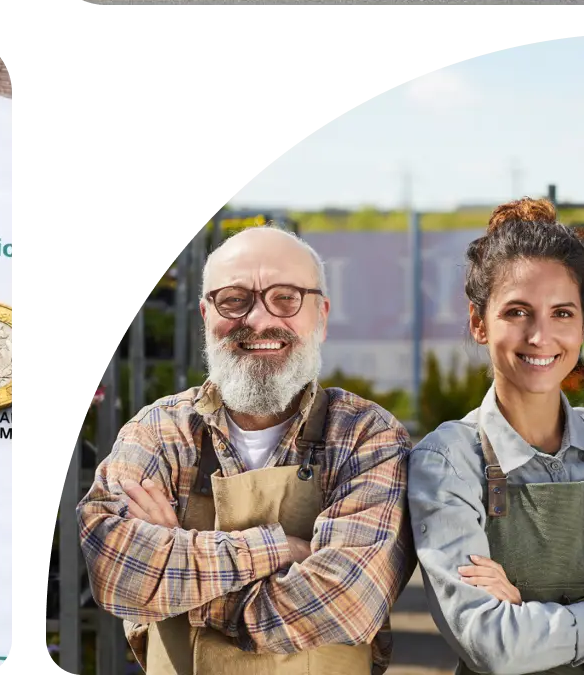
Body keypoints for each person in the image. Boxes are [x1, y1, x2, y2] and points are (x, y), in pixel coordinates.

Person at [77, 226, 415, 674]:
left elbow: (345, 601)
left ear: (322, 315)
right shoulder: (160, 430)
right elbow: (114, 569)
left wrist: (179, 584)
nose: (257, 319)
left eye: (286, 298)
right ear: (205, 314)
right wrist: (280, 548)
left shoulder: (365, 436)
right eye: (233, 299)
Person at [409, 197, 584, 674]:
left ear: (582, 324)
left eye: (562, 313)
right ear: (478, 323)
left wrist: (534, 625)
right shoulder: (448, 461)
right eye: (517, 312)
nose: (540, 336)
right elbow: (493, 646)